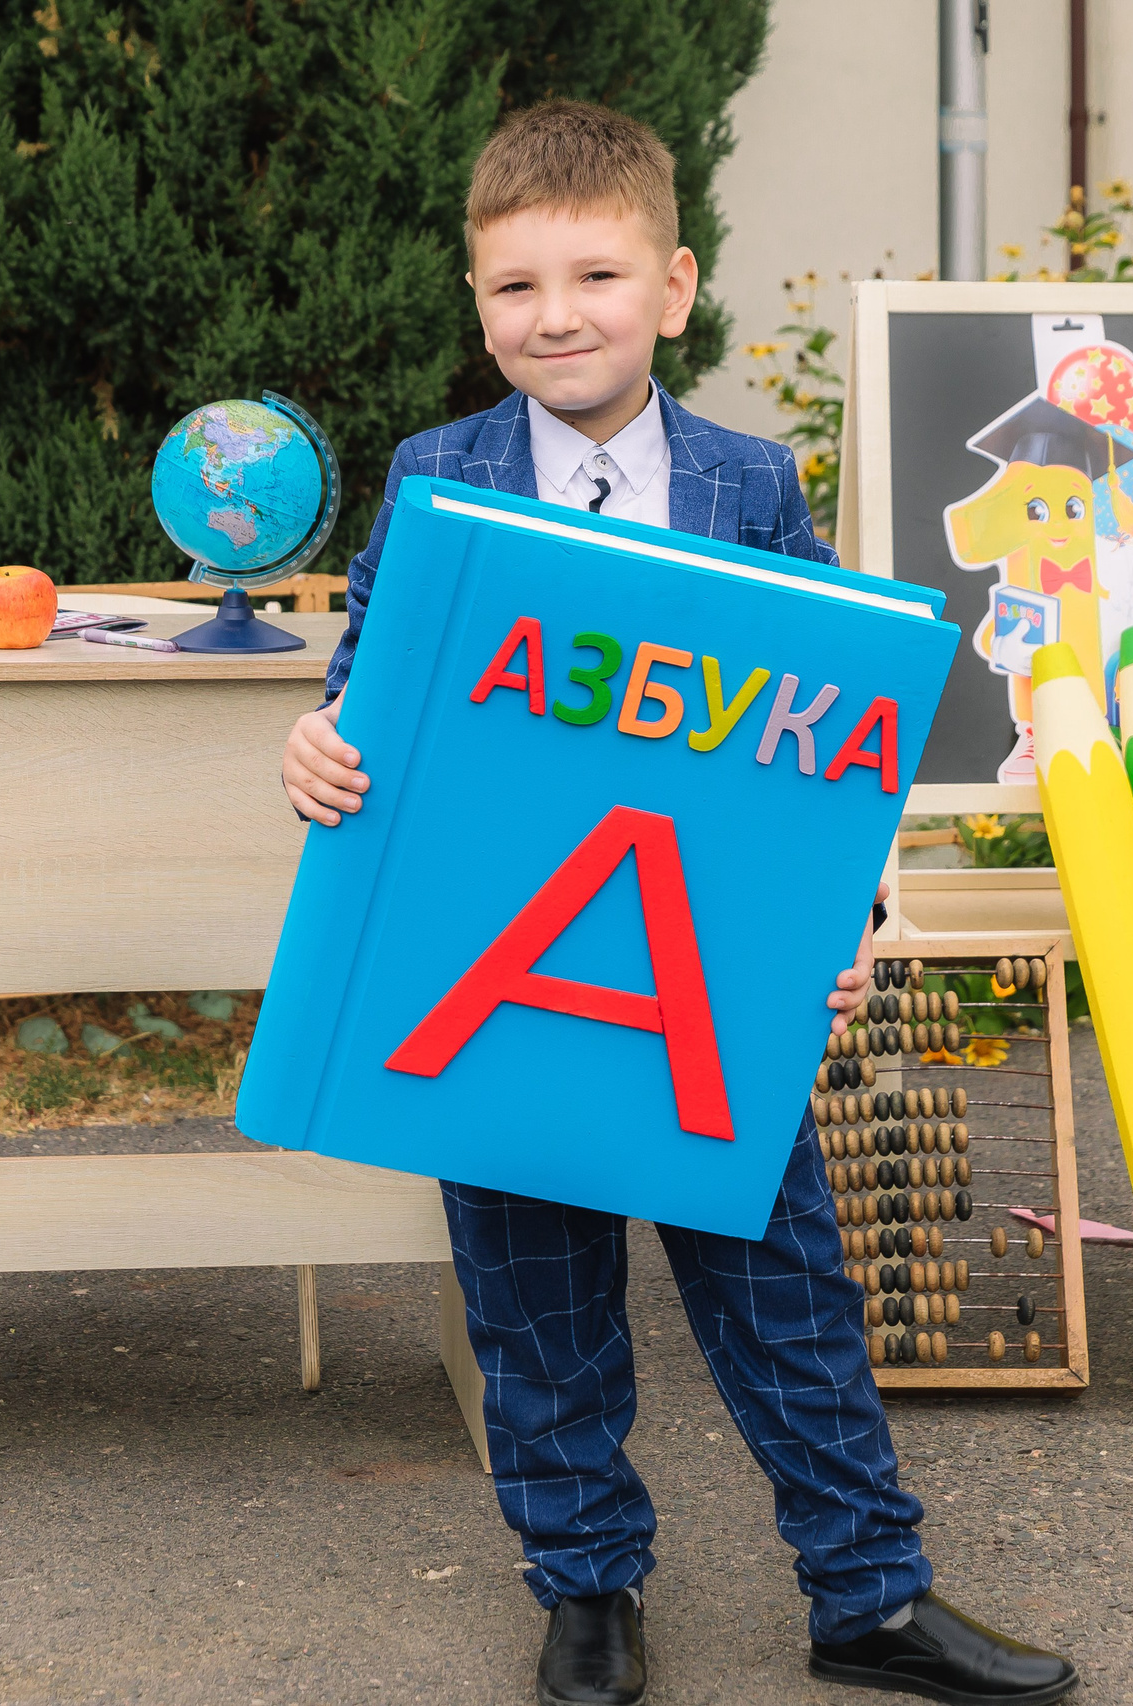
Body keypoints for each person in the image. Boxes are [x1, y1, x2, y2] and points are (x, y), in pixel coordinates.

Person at [278, 100, 1080, 1706]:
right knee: (535, 1308)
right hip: (497, 984)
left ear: (674, 284)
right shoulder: (435, 476)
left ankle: (868, 1592)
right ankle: (588, 1595)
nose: (554, 314)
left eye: (592, 275)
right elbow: (382, 686)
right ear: (476, 301)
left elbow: (823, 754)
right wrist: (319, 741)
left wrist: (828, 948)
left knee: (788, 1296)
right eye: (514, 286)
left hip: (702, 987)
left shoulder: (746, 480)